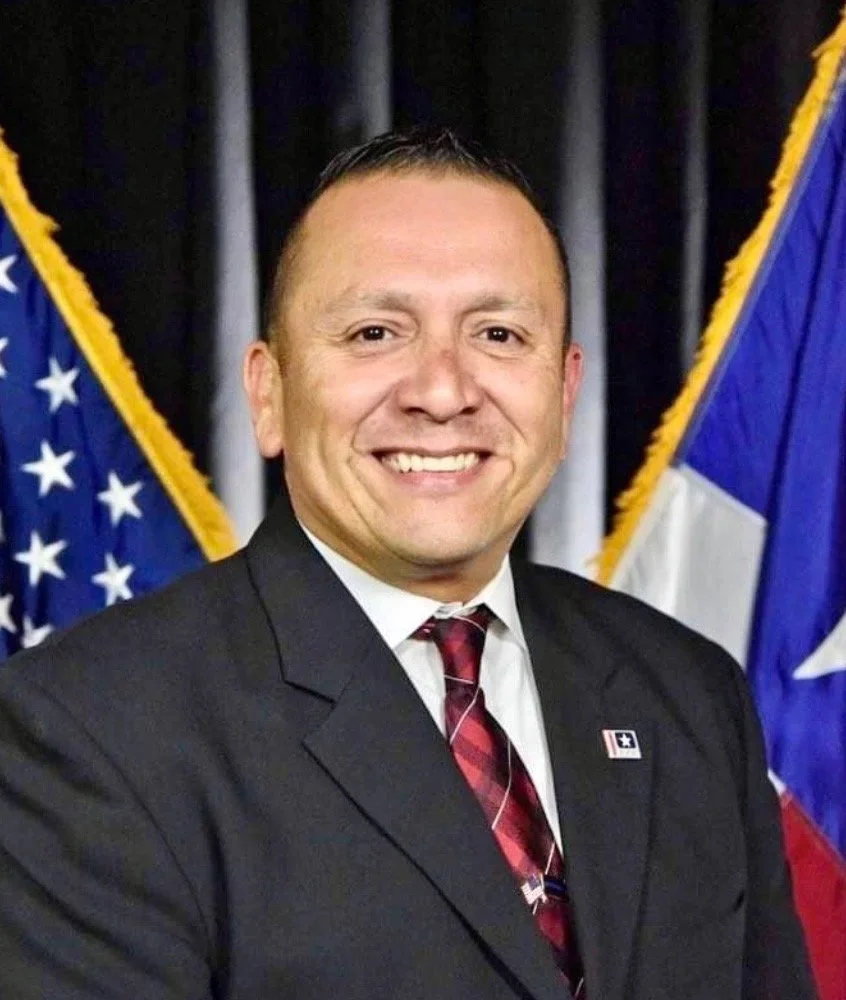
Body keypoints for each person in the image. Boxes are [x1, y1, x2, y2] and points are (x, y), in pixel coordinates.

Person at [0, 128, 816, 1000]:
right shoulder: (86, 732)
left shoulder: (688, 694)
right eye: (376, 332)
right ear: (269, 395)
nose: (441, 391)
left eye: (499, 334)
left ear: (566, 392)